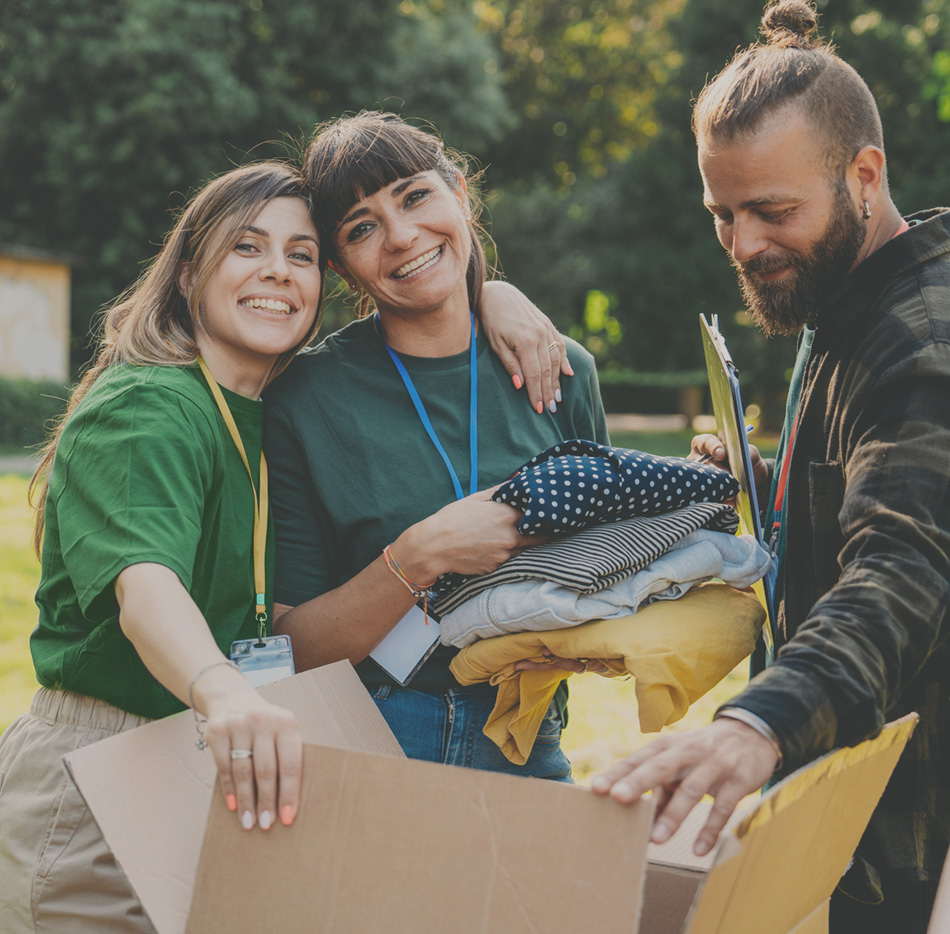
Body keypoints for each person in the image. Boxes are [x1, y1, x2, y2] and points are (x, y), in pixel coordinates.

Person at [592, 3, 949, 930]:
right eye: (723, 213)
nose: (745, 245)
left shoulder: (922, 343)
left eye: (773, 211)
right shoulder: (844, 290)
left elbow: (905, 567)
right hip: (856, 810)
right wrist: (773, 481)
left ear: (864, 174)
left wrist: (759, 721)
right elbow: (872, 475)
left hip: (915, 826)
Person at [0, 162, 327, 932]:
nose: (277, 270)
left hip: (201, 766)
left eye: (302, 254)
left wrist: (498, 299)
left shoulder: (270, 414)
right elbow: (145, 587)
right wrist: (225, 691)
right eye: (246, 247)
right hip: (102, 774)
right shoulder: (150, 401)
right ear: (188, 274)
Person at [264, 111, 609, 779]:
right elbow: (291, 647)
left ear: (460, 193)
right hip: (374, 733)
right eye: (361, 227)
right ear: (339, 266)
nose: (401, 236)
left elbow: (606, 570)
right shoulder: (304, 398)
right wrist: (415, 559)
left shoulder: (563, 370)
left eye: (416, 196)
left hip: (527, 738)